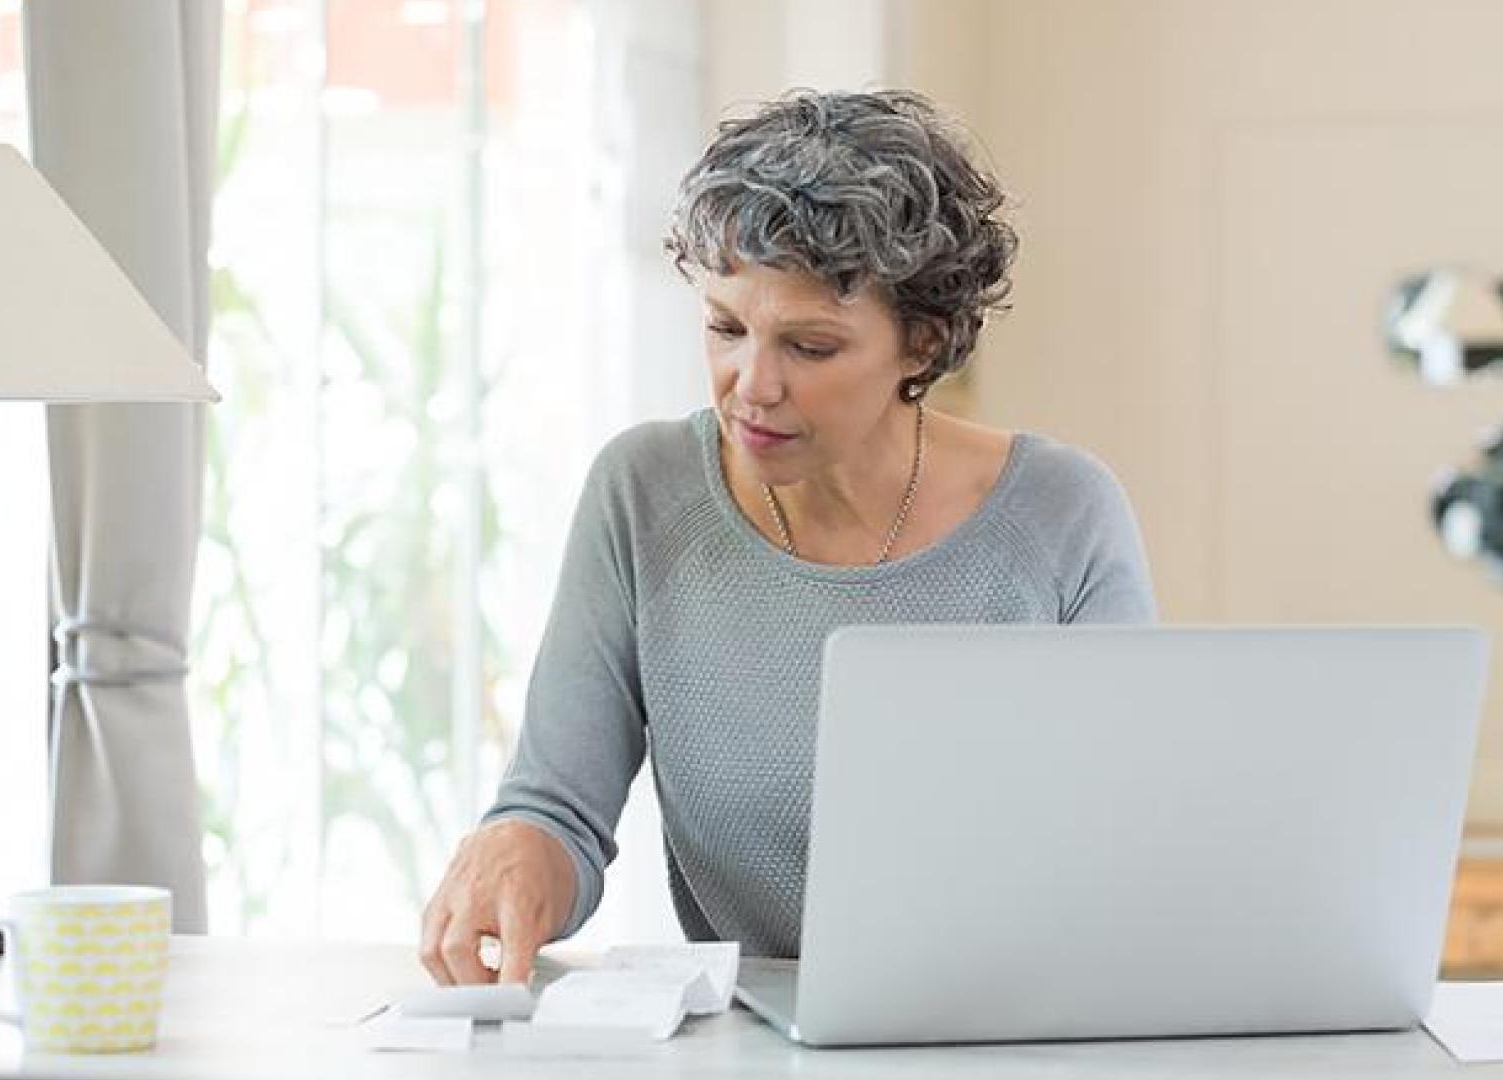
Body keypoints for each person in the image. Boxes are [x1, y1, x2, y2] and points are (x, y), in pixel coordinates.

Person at [419, 89, 1157, 987]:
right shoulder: (643, 494)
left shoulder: (1062, 514)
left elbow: (1127, 843)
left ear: (921, 344)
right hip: (757, 1043)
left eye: (810, 347)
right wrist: (520, 848)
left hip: (1016, 1032)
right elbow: (559, 811)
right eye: (726, 329)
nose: (751, 386)